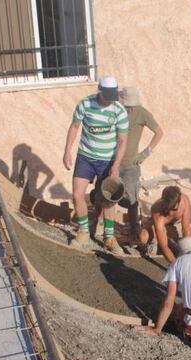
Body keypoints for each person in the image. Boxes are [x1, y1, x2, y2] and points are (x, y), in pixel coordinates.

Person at [62, 76, 129, 252]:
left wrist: (116, 165)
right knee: (77, 194)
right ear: (100, 90)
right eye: (107, 96)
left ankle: (109, 237)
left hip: (107, 160)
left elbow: (123, 140)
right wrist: (67, 150)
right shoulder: (85, 104)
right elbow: (74, 127)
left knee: (108, 199)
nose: (110, 100)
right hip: (85, 156)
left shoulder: (119, 110)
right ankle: (83, 231)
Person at [118, 86, 164, 239]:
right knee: (108, 195)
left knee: (132, 199)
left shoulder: (142, 113)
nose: (129, 109)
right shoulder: (116, 111)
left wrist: (146, 153)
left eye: (132, 106)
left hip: (131, 165)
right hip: (113, 162)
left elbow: (159, 132)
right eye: (127, 106)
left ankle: (134, 228)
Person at [139, 185, 191, 263]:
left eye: (173, 209)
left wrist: (188, 256)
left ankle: (169, 239)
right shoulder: (157, 210)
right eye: (167, 209)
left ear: (179, 201)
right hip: (158, 225)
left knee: (187, 243)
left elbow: (186, 228)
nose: (170, 213)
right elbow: (164, 246)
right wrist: (176, 265)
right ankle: (153, 243)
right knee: (144, 237)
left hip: (172, 226)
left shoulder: (184, 201)